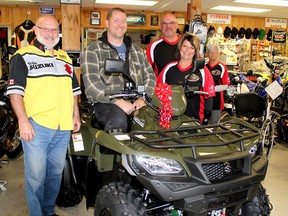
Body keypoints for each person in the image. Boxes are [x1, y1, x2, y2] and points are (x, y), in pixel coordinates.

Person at [6, 14, 81, 216]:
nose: (50, 33)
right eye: (45, 29)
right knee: (36, 177)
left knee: (55, 174)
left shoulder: (65, 58)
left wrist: (76, 115)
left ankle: (48, 212)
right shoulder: (22, 56)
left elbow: (74, 92)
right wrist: (23, 121)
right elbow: (15, 92)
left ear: (59, 33)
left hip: (63, 127)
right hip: (37, 126)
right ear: (36, 31)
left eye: (54, 29)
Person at [81, 7, 156, 133]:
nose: (120, 24)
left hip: (137, 101)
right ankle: (116, 153)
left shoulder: (137, 51)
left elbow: (150, 76)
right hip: (105, 103)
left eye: (124, 21)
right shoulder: (93, 50)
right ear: (107, 23)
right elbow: (92, 84)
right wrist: (117, 101)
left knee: (158, 119)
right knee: (119, 119)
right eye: (116, 20)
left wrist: (144, 98)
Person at [157, 32, 215, 123]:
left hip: (194, 121)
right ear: (180, 47)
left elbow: (209, 95)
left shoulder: (202, 70)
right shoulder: (169, 68)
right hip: (171, 121)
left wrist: (206, 119)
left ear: (196, 51)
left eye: (192, 47)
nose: (187, 50)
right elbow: (158, 91)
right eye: (185, 46)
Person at [205, 42, 230, 123]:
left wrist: (212, 89)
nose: (212, 54)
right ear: (207, 54)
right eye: (209, 52)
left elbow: (226, 85)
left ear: (218, 53)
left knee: (214, 125)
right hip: (204, 100)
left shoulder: (222, 67)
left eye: (214, 52)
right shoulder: (204, 66)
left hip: (217, 101)